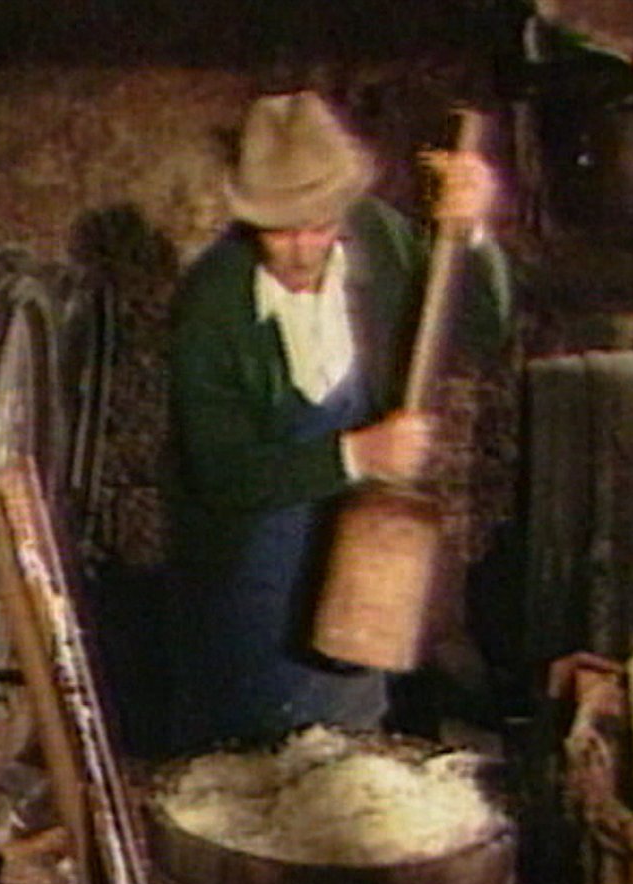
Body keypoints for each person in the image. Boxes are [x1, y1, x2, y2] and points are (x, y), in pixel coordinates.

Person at [163, 89, 513, 752]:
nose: (300, 247)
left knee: (343, 751)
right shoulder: (211, 306)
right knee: (241, 764)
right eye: (279, 228)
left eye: (318, 224)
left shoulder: (378, 237)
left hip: (355, 552)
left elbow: (480, 320)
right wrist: (358, 455)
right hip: (249, 569)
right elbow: (221, 475)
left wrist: (471, 232)